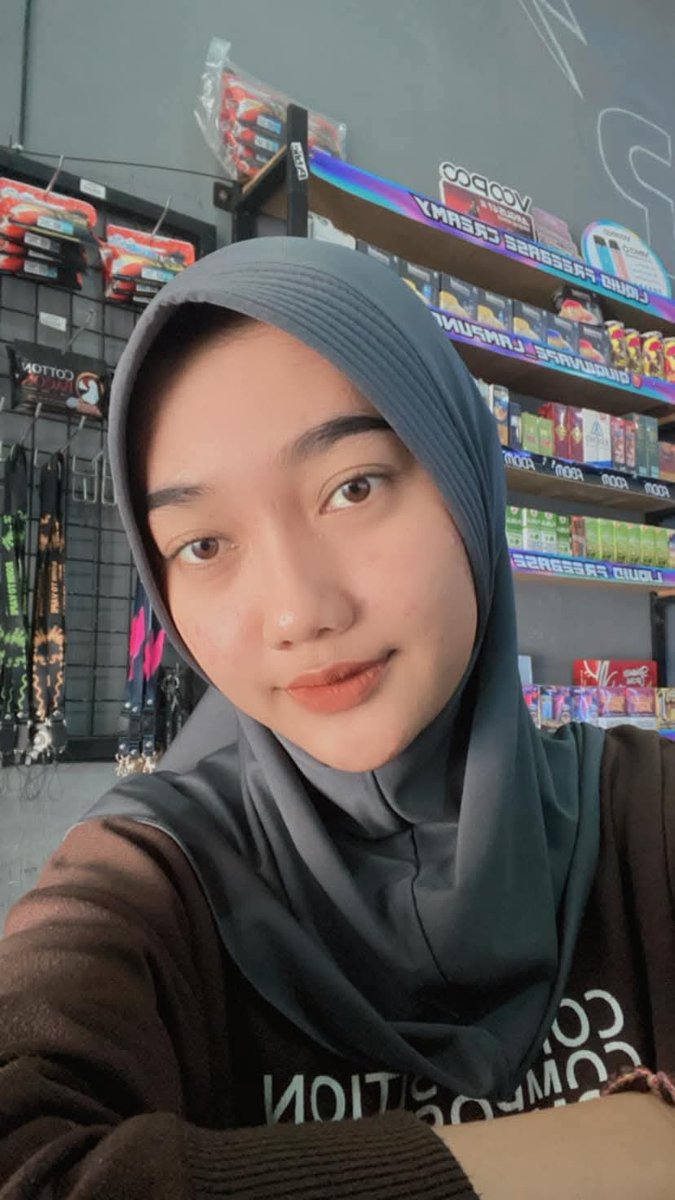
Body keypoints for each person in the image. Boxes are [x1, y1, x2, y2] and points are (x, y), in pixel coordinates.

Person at [0, 235, 673, 1198]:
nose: (297, 614)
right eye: (203, 545)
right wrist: (617, 1152)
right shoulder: (148, 879)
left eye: (352, 488)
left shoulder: (646, 819)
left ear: (462, 477)